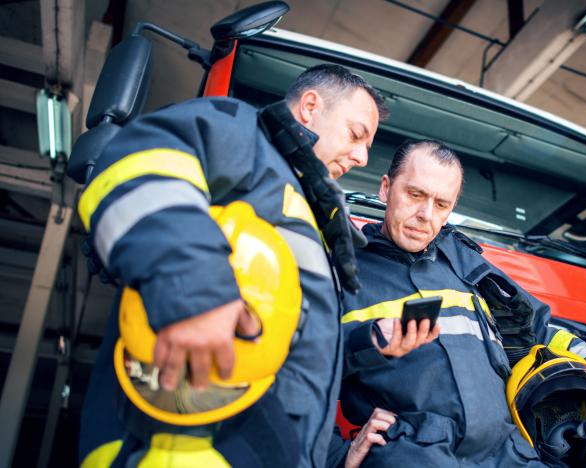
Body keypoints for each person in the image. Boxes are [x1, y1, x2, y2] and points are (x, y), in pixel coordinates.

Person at [77, 64, 387, 467]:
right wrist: (196, 290)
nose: (362, 157)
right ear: (310, 107)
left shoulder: (313, 214)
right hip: (176, 445)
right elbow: (137, 165)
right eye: (356, 134)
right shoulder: (243, 134)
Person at [329, 140, 586, 467]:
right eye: (415, 195)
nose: (425, 215)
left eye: (441, 204)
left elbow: (539, 332)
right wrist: (338, 456)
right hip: (414, 456)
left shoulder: (468, 265)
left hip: (510, 454)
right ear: (386, 188)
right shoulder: (342, 271)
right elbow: (294, 373)